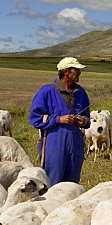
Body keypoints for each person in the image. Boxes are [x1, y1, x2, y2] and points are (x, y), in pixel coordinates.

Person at [30, 57, 91, 185]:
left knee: (72, 184)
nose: (80, 73)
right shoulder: (47, 91)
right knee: (53, 181)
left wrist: (84, 121)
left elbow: (87, 117)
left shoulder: (81, 92)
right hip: (54, 141)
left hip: (75, 142)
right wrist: (58, 119)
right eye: (76, 70)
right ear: (66, 72)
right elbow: (35, 118)